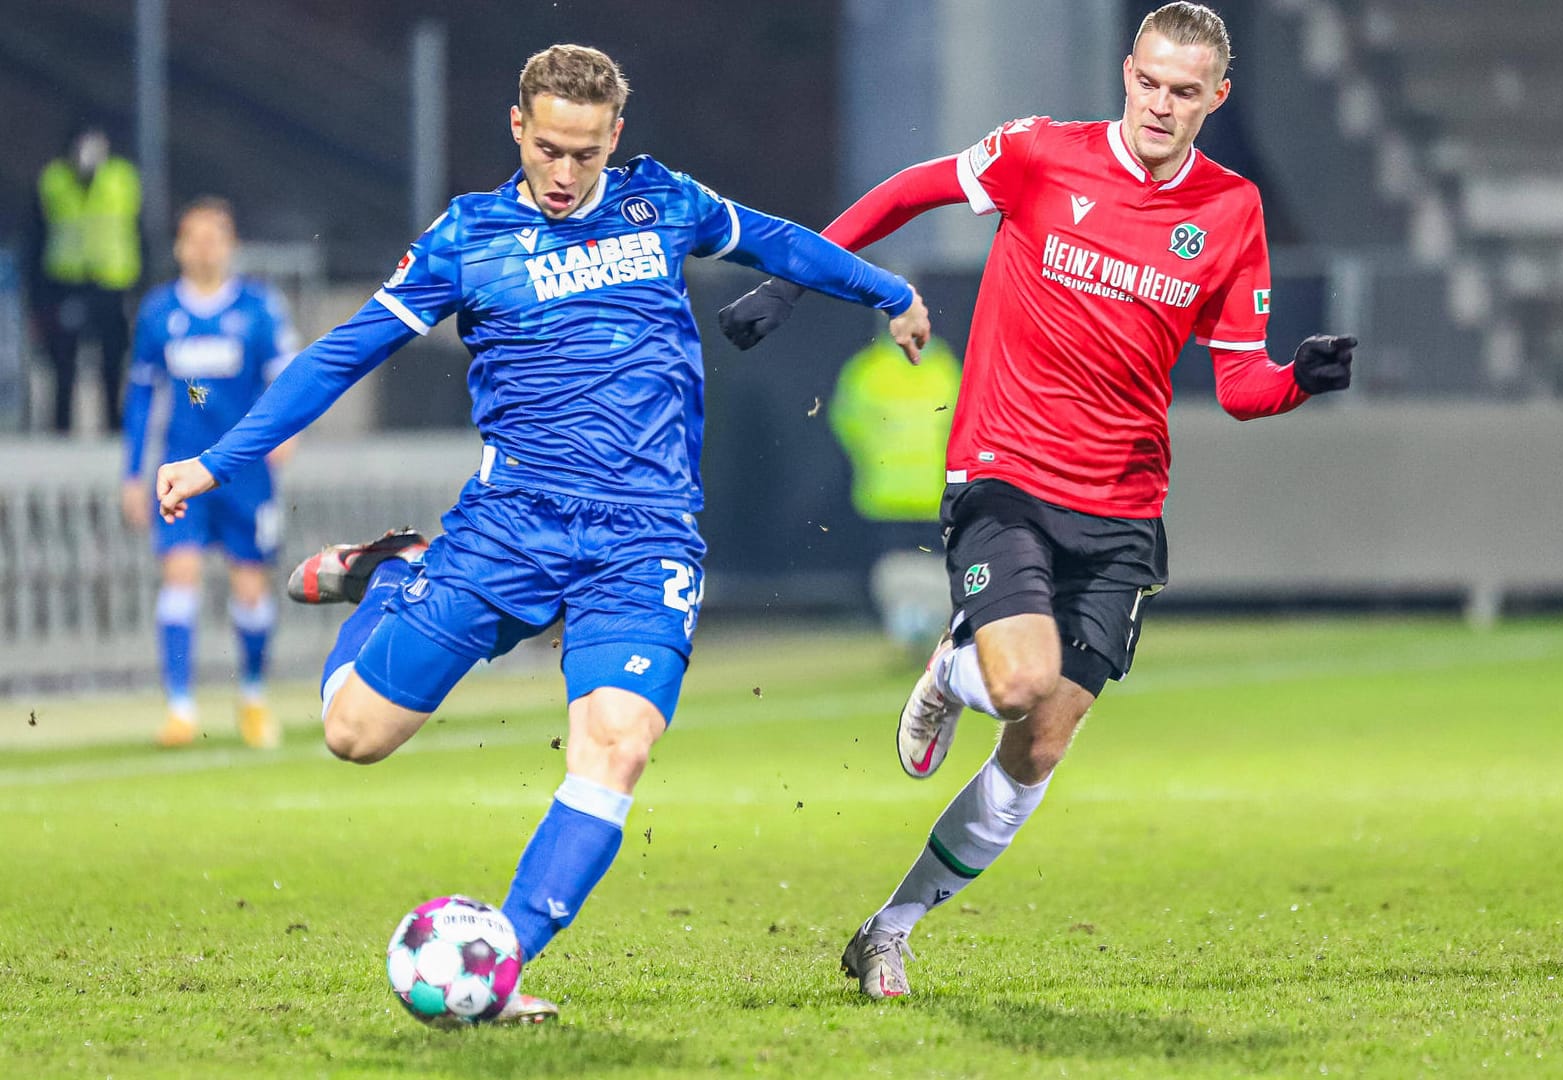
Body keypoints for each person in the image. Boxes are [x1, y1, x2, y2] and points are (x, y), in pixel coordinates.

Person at [153, 44, 930, 1023]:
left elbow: (778, 242)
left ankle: (499, 962)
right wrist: (221, 458)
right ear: (518, 130)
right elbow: (346, 349)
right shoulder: (467, 239)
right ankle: (395, 575)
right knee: (353, 733)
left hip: (643, 540)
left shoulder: (663, 204)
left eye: (585, 154)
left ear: (614, 139)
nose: (565, 175)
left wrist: (890, 292)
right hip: (508, 531)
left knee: (616, 746)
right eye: (549, 149)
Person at [718, 2, 1356, 999]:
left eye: (1185, 92)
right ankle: (952, 670)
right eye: (1148, 81)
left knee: (1041, 740)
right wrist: (800, 280)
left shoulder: (1231, 212)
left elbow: (1239, 387)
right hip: (1005, 474)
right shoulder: (1040, 155)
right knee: (1017, 681)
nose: (1160, 103)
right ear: (1126, 73)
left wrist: (1299, 381)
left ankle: (888, 928)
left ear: (1214, 99)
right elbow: (907, 192)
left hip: (1124, 509)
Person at [124, 197, 298, 749]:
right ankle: (179, 708)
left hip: (244, 472)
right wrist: (133, 472)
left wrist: (287, 430)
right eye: (193, 237)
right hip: (180, 469)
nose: (204, 247)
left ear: (230, 245)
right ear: (178, 246)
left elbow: (287, 377)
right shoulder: (158, 313)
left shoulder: (258, 308)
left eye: (214, 237)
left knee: (250, 588)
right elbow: (139, 394)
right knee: (179, 576)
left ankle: (251, 696)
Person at [827, 331, 961, 651]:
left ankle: (917, 631)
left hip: (898, 493)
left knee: (910, 569)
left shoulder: (868, 368)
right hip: (917, 493)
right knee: (910, 568)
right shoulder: (942, 367)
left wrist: (873, 457)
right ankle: (916, 633)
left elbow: (846, 422)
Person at [29, 126, 143, 433]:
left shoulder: (122, 177)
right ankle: (61, 425)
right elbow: (37, 235)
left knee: (113, 358)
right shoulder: (54, 180)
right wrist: (38, 296)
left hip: (112, 282)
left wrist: (141, 284)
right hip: (65, 282)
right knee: (63, 360)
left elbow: (139, 229)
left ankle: (113, 424)